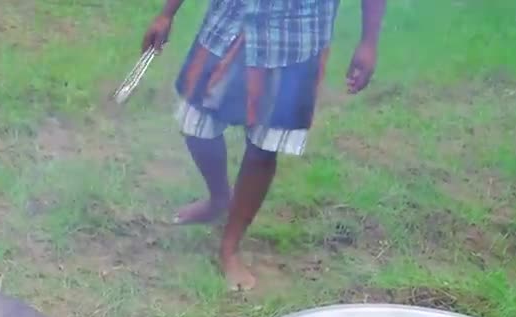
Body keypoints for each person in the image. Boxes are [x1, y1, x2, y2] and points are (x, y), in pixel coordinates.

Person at [142, 0, 386, 290]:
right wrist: (167, 13)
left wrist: (368, 43)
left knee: (263, 148)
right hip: (230, 24)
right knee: (195, 125)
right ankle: (219, 198)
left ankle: (230, 247)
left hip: (295, 41)